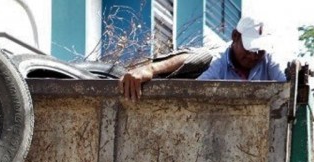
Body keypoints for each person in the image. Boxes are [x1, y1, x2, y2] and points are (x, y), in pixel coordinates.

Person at [120, 15, 286, 101]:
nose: (253, 56)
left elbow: (286, 87)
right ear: (235, 36)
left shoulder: (269, 61)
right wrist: (150, 69)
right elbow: (197, 89)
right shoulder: (218, 62)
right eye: (249, 48)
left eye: (259, 51)